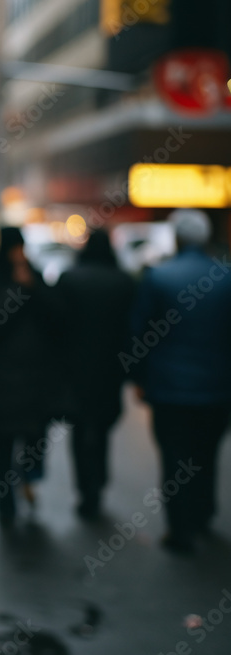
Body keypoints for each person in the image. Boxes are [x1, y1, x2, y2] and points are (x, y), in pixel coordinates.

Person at [128, 208, 231, 554]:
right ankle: (203, 513)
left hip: (169, 389)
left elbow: (140, 334)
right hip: (217, 389)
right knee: (207, 453)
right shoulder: (226, 277)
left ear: (176, 237)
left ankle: (180, 528)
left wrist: (138, 379)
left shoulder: (158, 277)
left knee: (175, 458)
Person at [0, 226, 63, 525]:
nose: (19, 255)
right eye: (14, 248)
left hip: (34, 378)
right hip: (0, 380)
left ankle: (28, 481)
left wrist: (32, 285)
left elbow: (56, 315)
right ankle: (5, 502)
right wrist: (20, 290)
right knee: (4, 443)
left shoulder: (33, 275)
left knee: (33, 437)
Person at [56, 229, 135, 519]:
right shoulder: (124, 282)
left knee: (79, 428)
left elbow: (58, 325)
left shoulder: (70, 279)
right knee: (102, 427)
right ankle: (99, 483)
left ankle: (84, 488)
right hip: (110, 367)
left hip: (76, 367)